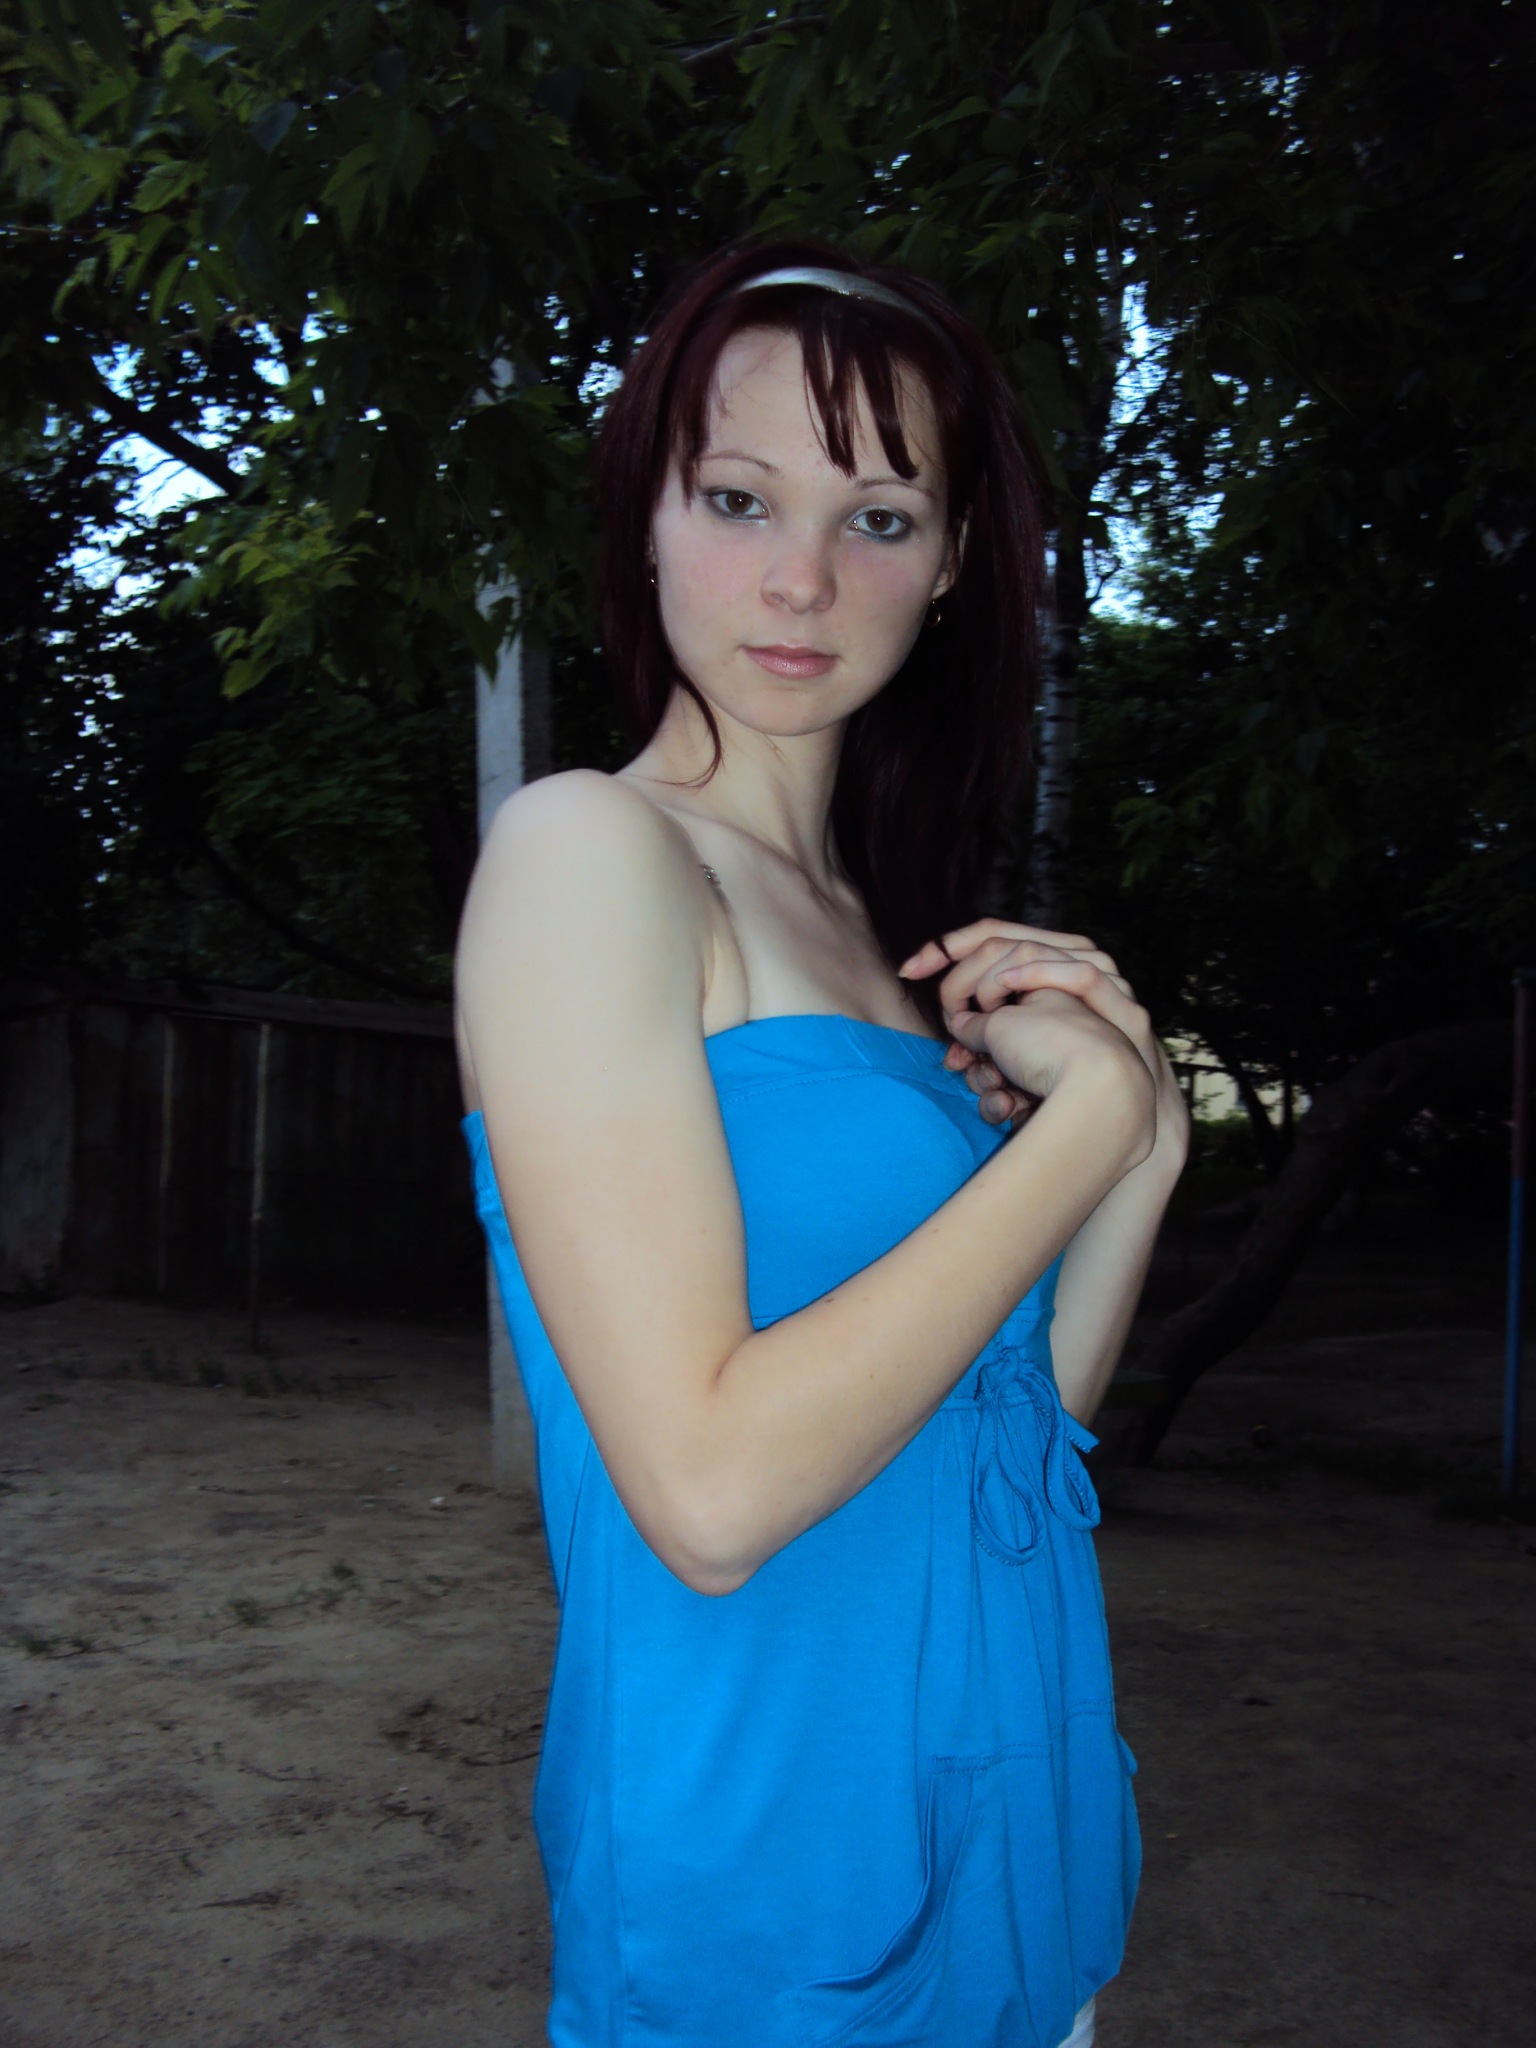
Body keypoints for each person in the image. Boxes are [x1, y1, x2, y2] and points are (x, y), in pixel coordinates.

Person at [454, 238, 1189, 2048]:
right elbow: (708, 1498)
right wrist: (1081, 1128)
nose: (801, 577)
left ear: (950, 564)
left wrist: (1140, 1140)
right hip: (776, 1899)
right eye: (739, 498)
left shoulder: (882, 928)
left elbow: (1011, 1434)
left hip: (1008, 1860)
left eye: (878, 518)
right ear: (646, 516)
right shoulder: (590, 855)